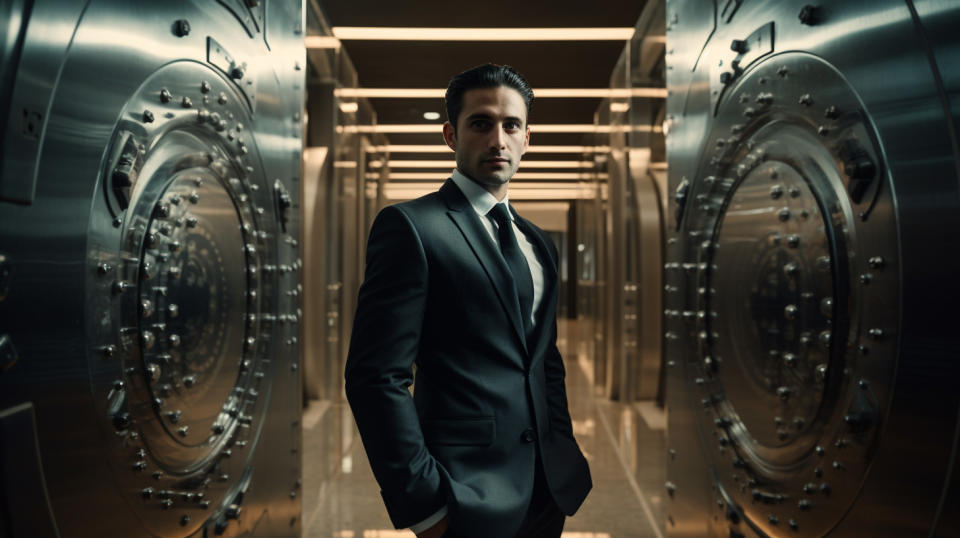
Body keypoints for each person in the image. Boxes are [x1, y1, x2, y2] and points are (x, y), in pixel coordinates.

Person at [344, 64, 591, 538]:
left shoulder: (537, 242)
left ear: (527, 138)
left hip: (548, 491)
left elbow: (544, 362)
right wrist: (424, 504)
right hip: (462, 494)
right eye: (481, 123)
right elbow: (376, 377)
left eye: (511, 125)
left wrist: (562, 450)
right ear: (450, 134)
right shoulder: (412, 227)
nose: (497, 139)